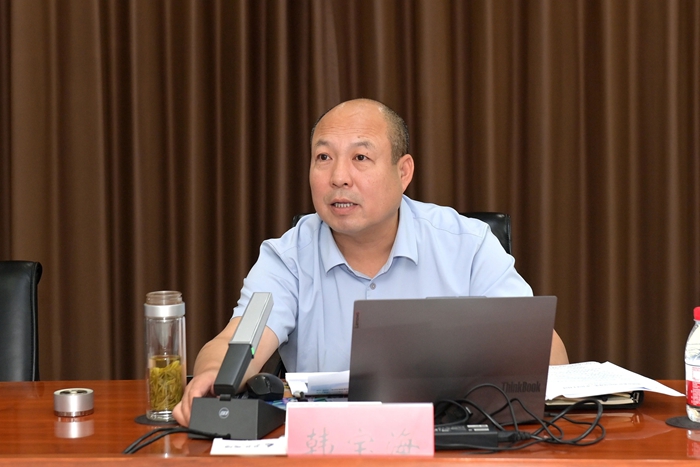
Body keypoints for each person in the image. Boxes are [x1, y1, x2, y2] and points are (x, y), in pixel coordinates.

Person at [173, 98, 569, 426]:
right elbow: (237, 342)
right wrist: (210, 377)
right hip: (329, 449)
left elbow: (546, 354)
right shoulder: (287, 257)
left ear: (403, 172)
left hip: (453, 445)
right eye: (323, 157)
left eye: (360, 157)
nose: (339, 177)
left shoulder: (467, 245)